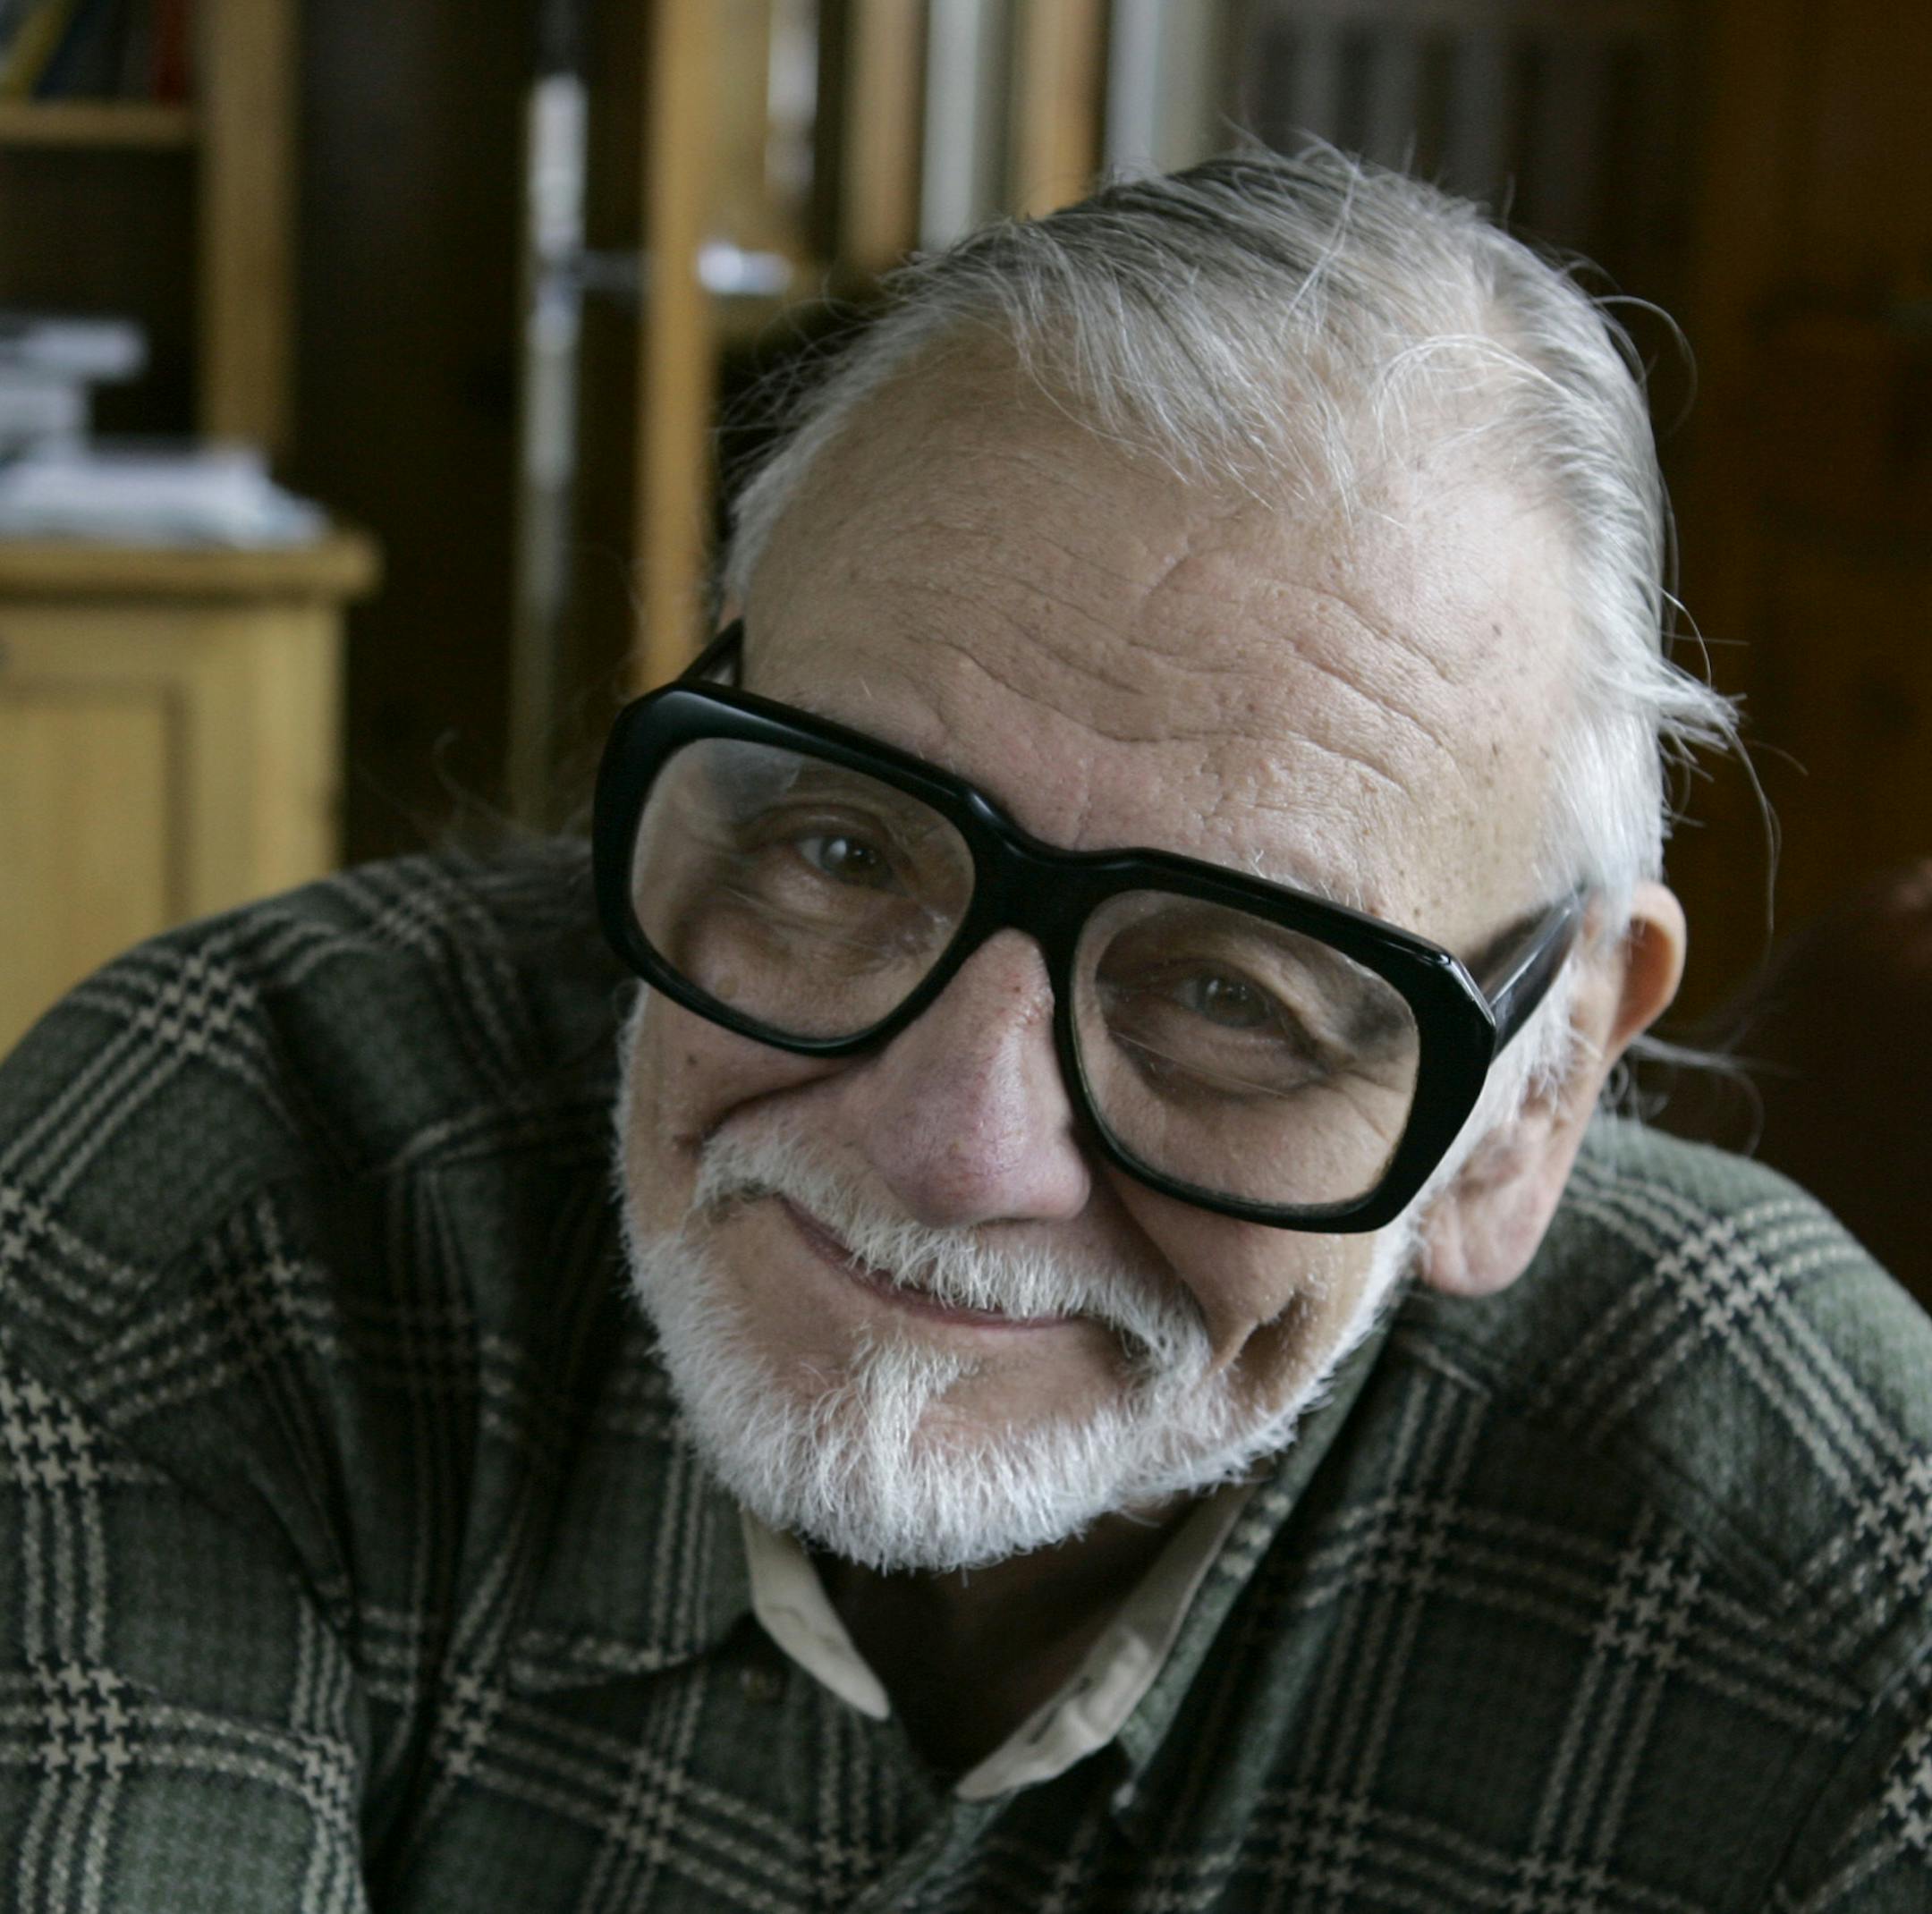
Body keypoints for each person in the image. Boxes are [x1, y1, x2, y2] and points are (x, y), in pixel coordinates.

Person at [2, 148, 1928, 1912]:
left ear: (1540, 1087)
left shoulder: (1849, 1588)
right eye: (843, 845)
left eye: (1225, 993)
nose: (953, 1141)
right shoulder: (219, 1198)